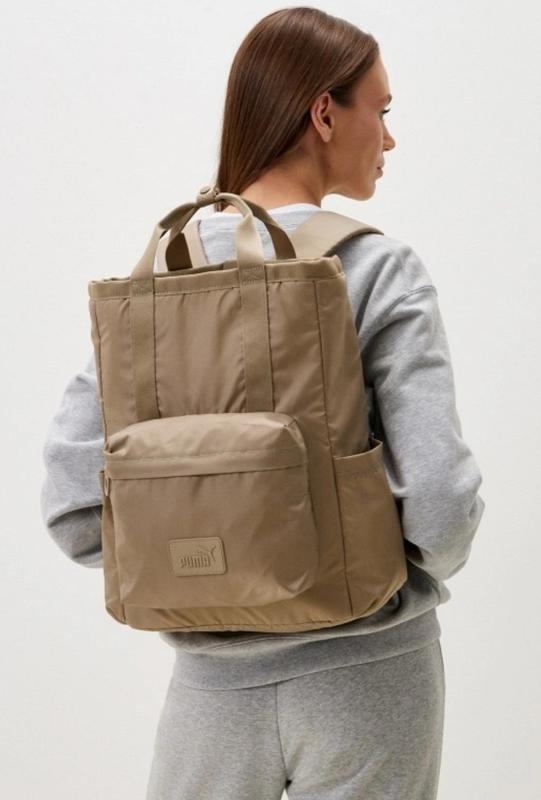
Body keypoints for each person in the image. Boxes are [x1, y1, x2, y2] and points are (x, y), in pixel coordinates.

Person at [40, 7, 485, 799]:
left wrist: (204, 576)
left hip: (208, 698)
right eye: (380, 110)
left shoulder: (157, 281)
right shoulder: (375, 269)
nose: (388, 139)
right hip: (369, 678)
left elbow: (73, 505)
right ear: (324, 113)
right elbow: (442, 507)